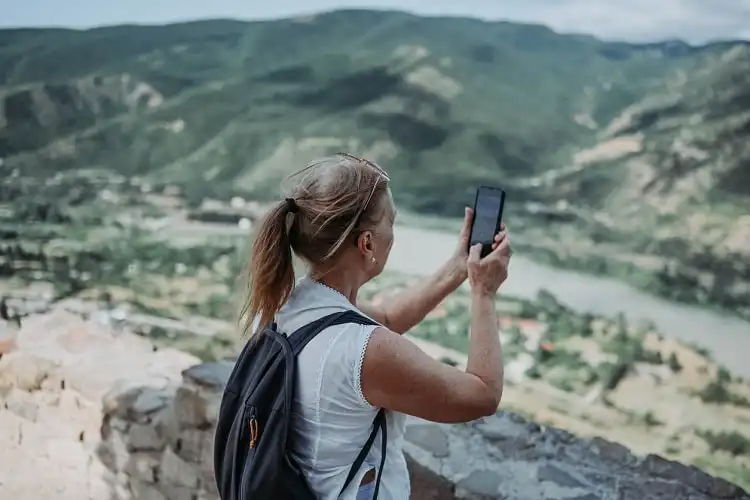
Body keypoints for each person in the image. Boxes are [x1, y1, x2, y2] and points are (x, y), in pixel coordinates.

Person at [241, 152, 511, 500]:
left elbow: (384, 317)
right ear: (366, 243)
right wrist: (484, 293)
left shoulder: (282, 307)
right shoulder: (365, 350)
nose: (394, 235)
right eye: (392, 222)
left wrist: (458, 268)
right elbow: (482, 395)